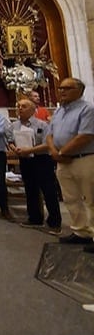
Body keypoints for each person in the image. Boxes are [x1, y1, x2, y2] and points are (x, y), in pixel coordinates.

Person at [47, 77, 94, 251]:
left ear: (80, 91)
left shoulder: (87, 109)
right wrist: (54, 152)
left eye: (67, 88)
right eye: (60, 88)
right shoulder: (59, 111)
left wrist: (61, 153)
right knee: (71, 198)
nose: (62, 91)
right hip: (63, 161)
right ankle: (81, 232)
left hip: (84, 159)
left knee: (91, 198)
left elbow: (85, 135)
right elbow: (49, 134)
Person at [6, 98, 61, 232]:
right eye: (18, 106)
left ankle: (54, 221)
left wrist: (30, 150)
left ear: (32, 110)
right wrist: (14, 148)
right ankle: (35, 218)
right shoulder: (14, 126)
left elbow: (47, 144)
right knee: (30, 190)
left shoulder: (42, 125)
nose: (20, 109)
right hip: (25, 160)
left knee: (48, 190)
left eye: (24, 106)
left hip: (42, 160)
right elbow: (10, 140)